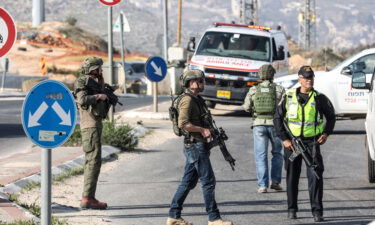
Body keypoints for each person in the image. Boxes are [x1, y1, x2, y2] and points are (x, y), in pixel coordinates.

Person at [166, 70, 233, 225]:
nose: (203, 83)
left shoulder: (196, 99)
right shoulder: (187, 100)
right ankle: (214, 219)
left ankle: (174, 216)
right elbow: (184, 124)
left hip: (197, 145)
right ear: (191, 83)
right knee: (208, 181)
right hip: (195, 146)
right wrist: (202, 130)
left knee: (187, 182)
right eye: (200, 81)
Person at [273, 66, 336, 222]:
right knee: (291, 177)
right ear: (299, 79)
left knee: (315, 176)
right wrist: (285, 139)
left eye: (311, 77)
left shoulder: (320, 98)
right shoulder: (288, 97)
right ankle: (292, 209)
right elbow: (277, 119)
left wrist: (326, 133)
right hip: (292, 144)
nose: (309, 80)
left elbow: (331, 116)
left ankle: (317, 212)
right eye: (306, 77)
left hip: (312, 143)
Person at [74, 56, 109, 210]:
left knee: (94, 162)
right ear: (94, 69)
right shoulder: (82, 82)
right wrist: (98, 96)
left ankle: (90, 197)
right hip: (90, 126)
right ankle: (87, 198)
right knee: (93, 162)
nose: (101, 70)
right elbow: (82, 100)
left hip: (93, 126)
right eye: (99, 68)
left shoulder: (94, 83)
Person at [243, 64, 285, 193]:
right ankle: (276, 182)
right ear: (273, 75)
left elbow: (246, 107)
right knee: (277, 153)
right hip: (275, 126)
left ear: (260, 75)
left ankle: (262, 185)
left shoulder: (254, 89)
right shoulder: (279, 89)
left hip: (258, 125)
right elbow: (284, 108)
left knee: (261, 156)